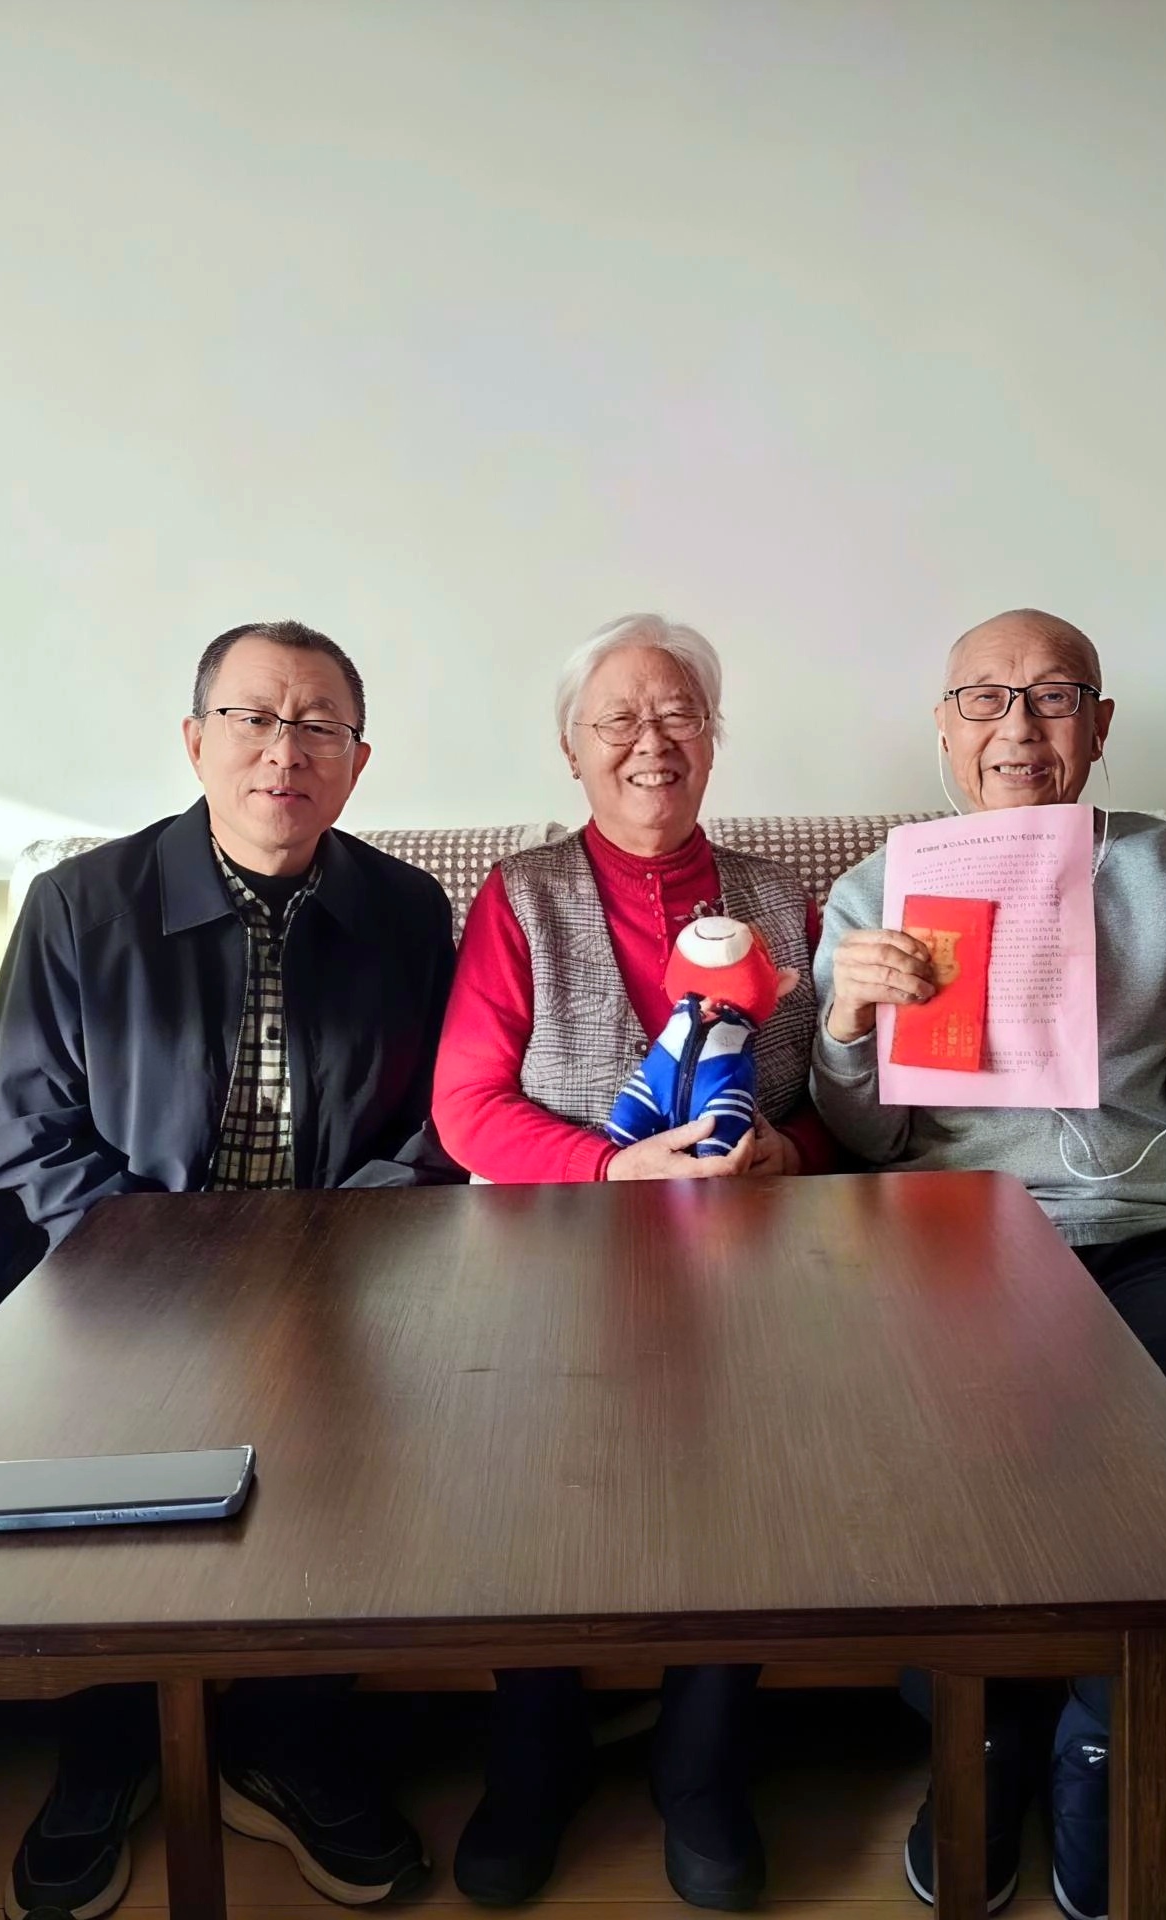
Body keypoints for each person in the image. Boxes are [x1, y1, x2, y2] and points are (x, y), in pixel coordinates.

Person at [809, 609, 1166, 1920]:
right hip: (949, 1239)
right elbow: (862, 1137)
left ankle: (1104, 1731)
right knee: (888, 1430)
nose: (1017, 728)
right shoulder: (879, 889)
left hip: (1145, 1234)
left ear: (1100, 724)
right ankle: (978, 1735)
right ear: (944, 728)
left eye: (1053, 697)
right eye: (984, 699)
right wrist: (849, 1020)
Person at [0, 620, 456, 1918]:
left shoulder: (406, 912)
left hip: (337, 1272)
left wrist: (319, 1265)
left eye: (318, 727)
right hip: (110, 1272)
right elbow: (19, 1127)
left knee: (377, 1425)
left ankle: (287, 1743)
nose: (283, 751)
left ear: (356, 762)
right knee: (107, 1445)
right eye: (252, 719)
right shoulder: (81, 904)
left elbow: (437, 1125)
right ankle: (109, 1743)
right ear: (196, 741)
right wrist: (179, 1275)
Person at [431, 613, 828, 1911]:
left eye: (678, 715)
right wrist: (612, 1170)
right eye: (618, 719)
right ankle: (535, 1746)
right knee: (514, 1428)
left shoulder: (786, 900)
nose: (650, 742)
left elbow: (850, 1102)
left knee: (765, 1425)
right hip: (559, 1238)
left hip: (750, 1254)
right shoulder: (521, 895)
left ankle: (701, 1761)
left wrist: (788, 1152)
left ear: (712, 740)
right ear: (572, 748)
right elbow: (467, 1110)